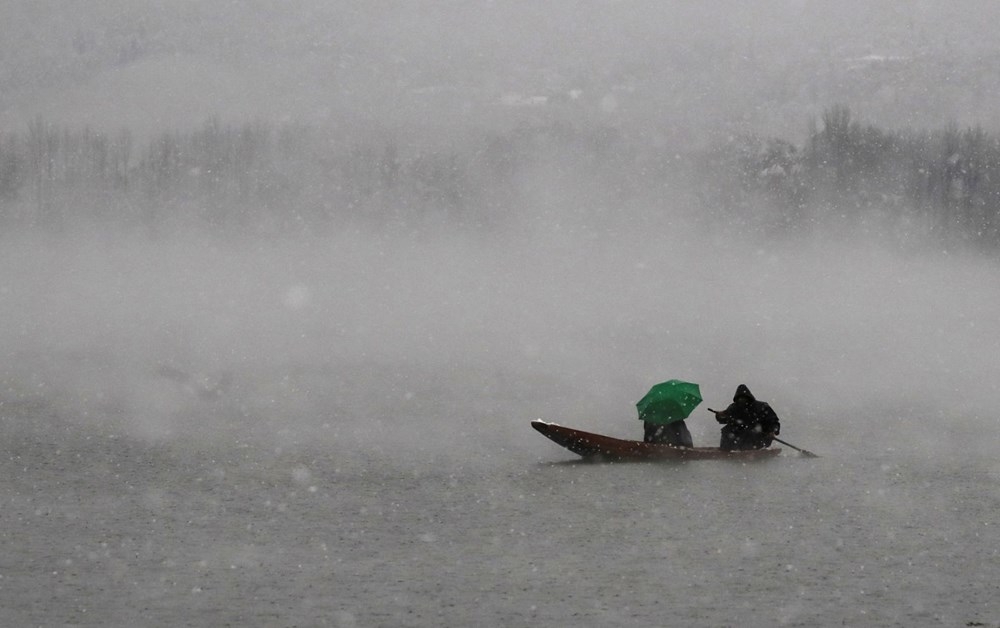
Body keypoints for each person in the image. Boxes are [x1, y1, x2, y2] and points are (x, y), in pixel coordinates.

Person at [710, 384, 780, 451]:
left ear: (749, 398)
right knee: (727, 430)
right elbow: (726, 420)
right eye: (740, 399)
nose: (742, 401)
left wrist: (772, 431)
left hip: (759, 438)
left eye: (743, 398)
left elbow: (773, 420)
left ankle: (748, 450)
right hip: (737, 440)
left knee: (750, 433)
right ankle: (728, 450)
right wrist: (720, 416)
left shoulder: (762, 407)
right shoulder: (733, 407)